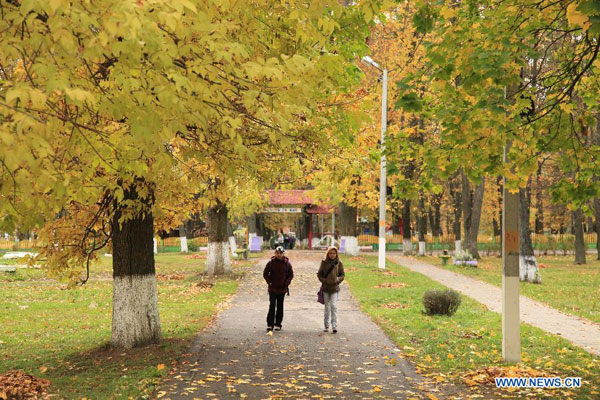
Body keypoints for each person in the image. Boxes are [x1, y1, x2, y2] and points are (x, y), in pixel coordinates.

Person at [263, 246, 294, 332]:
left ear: (283, 254)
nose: (279, 255)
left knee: (280, 306)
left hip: (282, 289)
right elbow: (265, 273)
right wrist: (269, 282)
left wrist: (286, 283)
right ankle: (270, 324)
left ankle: (278, 324)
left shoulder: (287, 263)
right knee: (272, 305)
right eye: (277, 253)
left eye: (280, 253)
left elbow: (291, 275)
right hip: (272, 289)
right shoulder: (271, 263)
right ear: (275, 253)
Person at [317, 246, 345, 333]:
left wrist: (337, 280)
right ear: (328, 254)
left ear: (336, 254)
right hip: (326, 288)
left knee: (334, 306)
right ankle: (326, 325)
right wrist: (324, 281)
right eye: (330, 253)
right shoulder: (324, 262)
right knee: (327, 307)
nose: (332, 255)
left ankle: (334, 325)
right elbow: (319, 274)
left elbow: (342, 275)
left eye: (334, 253)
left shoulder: (339, 263)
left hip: (335, 288)